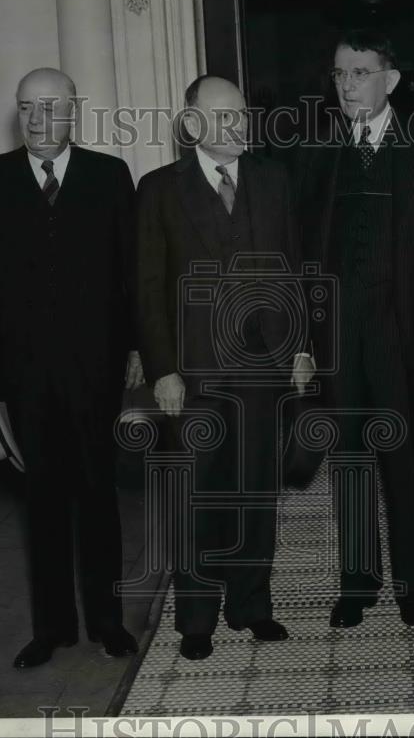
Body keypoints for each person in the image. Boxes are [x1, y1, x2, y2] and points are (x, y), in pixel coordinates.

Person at [0, 68, 140, 668]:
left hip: (97, 366)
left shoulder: (110, 176)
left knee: (96, 492)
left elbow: (131, 272)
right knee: (41, 499)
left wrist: (139, 347)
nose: (39, 118)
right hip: (23, 371)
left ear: (72, 112)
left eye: (51, 106)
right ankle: (53, 628)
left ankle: (107, 622)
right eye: (27, 107)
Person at [293, 29, 414, 629]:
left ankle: (413, 584)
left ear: (389, 79)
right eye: (339, 74)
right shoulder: (316, 152)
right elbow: (302, 250)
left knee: (402, 454)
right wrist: (305, 342)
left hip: (403, 331)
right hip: (336, 332)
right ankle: (357, 583)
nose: (346, 85)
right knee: (351, 458)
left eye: (359, 72)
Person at [134, 75, 299, 661]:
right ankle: (197, 617)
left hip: (263, 368)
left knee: (257, 491)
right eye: (223, 116)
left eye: (243, 114)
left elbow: (292, 269)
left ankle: (252, 604)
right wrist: (162, 370)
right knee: (198, 496)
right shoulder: (159, 190)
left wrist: (298, 350)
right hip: (195, 374)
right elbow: (148, 289)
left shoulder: (274, 179)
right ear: (193, 124)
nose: (238, 125)